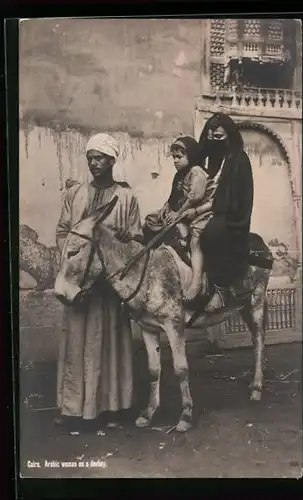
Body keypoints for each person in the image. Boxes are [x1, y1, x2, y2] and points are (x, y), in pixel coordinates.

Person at [55, 133, 143, 431]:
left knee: (111, 344)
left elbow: (134, 239)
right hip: (79, 284)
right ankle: (73, 409)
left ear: (112, 160)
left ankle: (113, 407)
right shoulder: (75, 194)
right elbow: (63, 232)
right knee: (77, 342)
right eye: (90, 158)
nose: (94, 163)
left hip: (109, 286)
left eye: (100, 158)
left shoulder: (127, 198)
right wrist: (73, 270)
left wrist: (112, 271)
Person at [144, 136, 213, 302]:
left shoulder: (197, 172)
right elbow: (173, 197)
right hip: (183, 212)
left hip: (202, 211)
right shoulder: (179, 175)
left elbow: (193, 198)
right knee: (151, 221)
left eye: (179, 157)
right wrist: (165, 208)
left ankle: (196, 280)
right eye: (174, 157)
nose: (175, 160)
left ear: (191, 155)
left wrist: (177, 214)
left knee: (195, 238)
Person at [198, 113, 254, 292]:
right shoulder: (214, 160)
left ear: (230, 135)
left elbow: (238, 199)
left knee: (210, 233)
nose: (216, 141)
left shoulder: (239, 160)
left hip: (231, 215)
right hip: (210, 208)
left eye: (220, 137)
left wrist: (211, 209)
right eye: (213, 137)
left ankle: (219, 287)